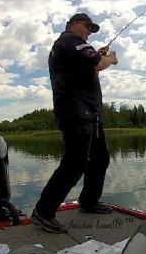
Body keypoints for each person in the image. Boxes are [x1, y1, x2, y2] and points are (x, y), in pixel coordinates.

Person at [32, 13, 118, 233]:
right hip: (76, 112)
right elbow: (98, 65)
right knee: (75, 163)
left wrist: (97, 56)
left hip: (91, 113)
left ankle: (89, 202)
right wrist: (109, 58)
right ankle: (43, 212)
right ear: (73, 25)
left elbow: (88, 64)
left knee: (100, 158)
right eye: (87, 26)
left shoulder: (75, 47)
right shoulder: (70, 40)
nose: (89, 31)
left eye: (91, 29)